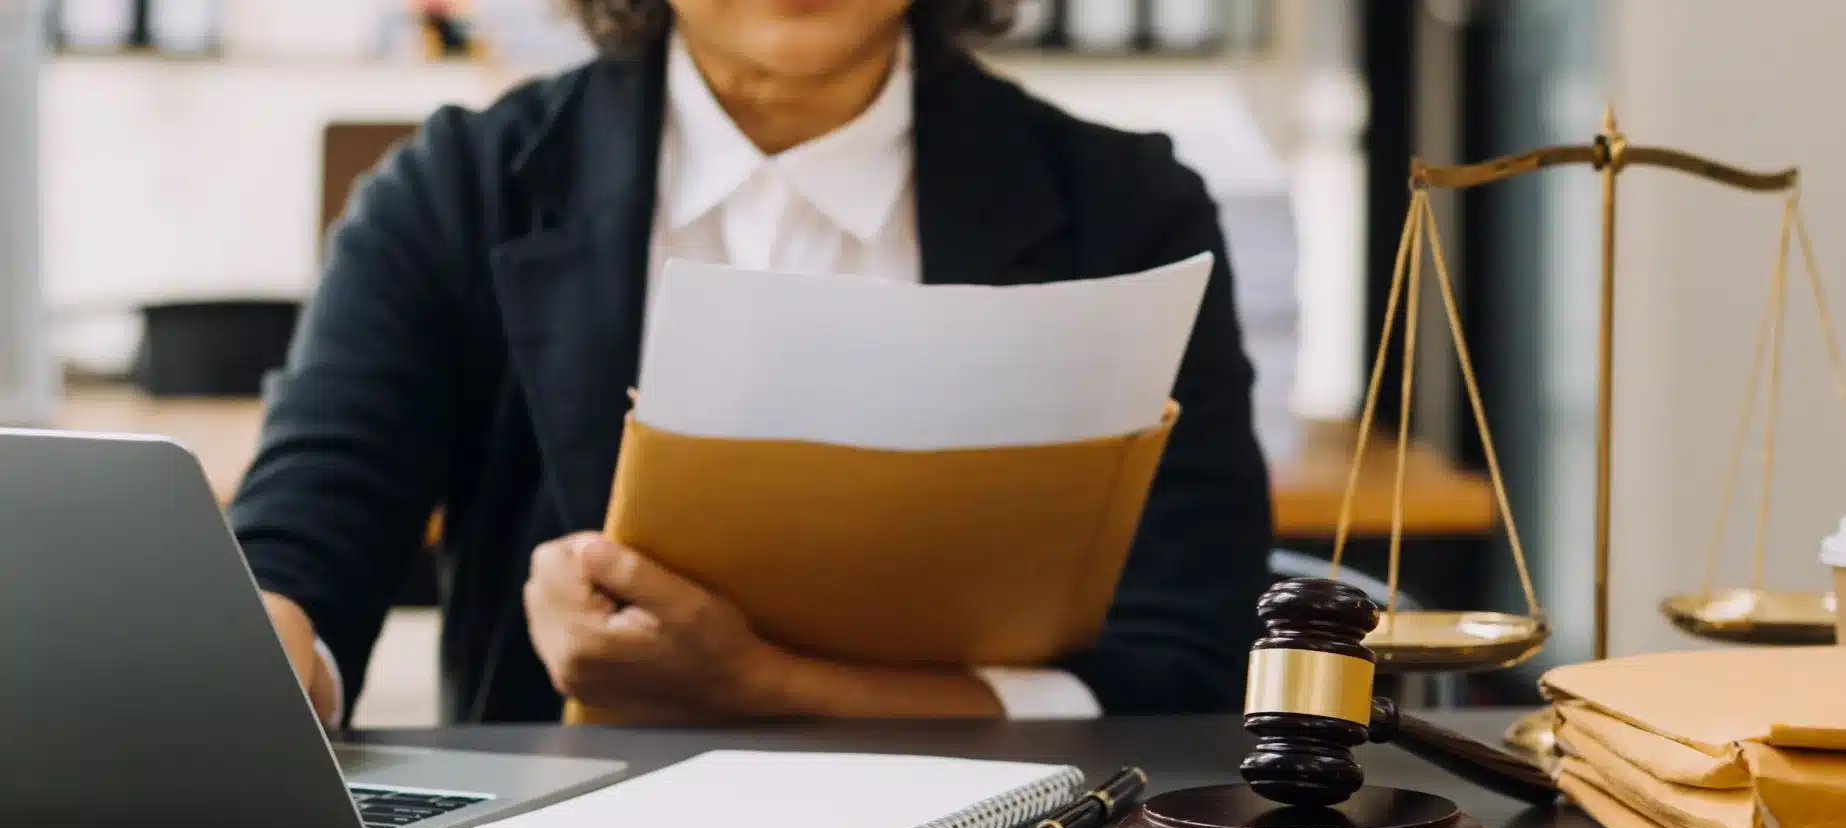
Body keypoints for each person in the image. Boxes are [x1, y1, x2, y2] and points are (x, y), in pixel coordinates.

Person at [230, 0, 1274, 727]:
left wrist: (762, 682)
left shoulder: (1127, 210)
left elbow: (1192, 656)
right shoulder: (459, 188)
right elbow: (307, 545)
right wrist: (262, 647)